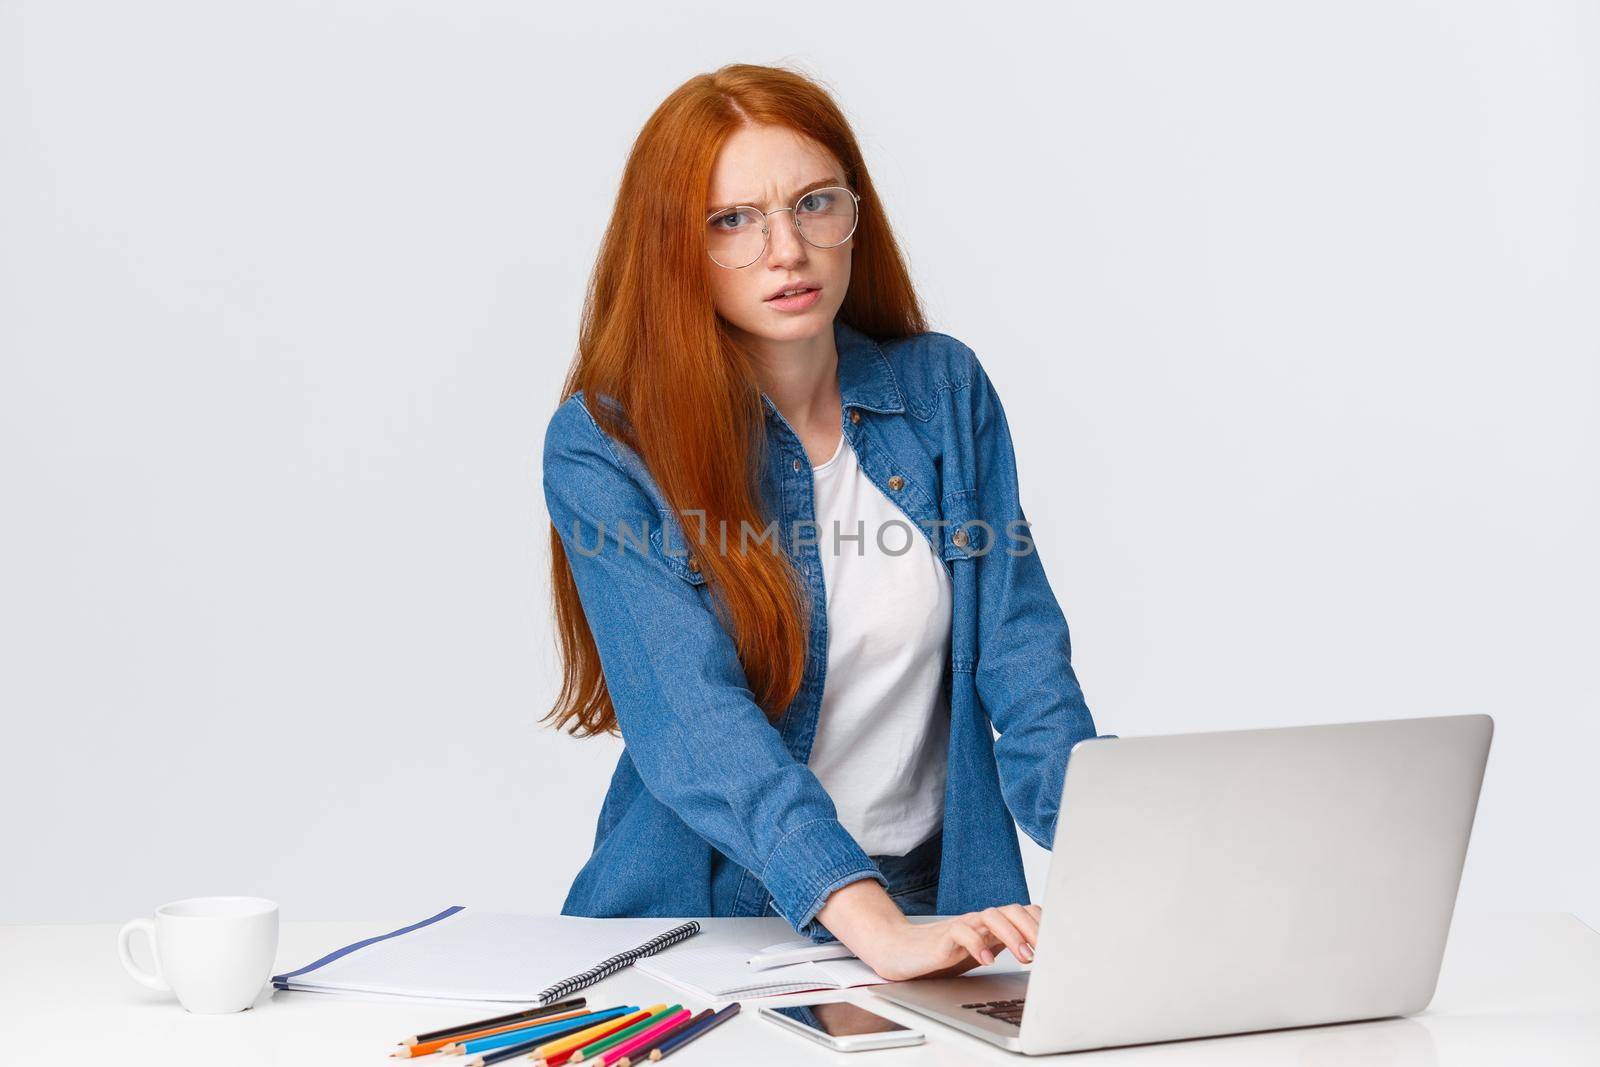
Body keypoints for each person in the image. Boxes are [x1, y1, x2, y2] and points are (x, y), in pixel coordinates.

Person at [540, 63, 1098, 983]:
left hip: (938, 907)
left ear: (855, 214)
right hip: (710, 923)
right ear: (673, 247)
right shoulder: (607, 443)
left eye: (813, 204)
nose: (786, 250)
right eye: (733, 221)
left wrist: (1140, 862)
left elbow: (1025, 664)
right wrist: (871, 923)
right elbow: (694, 721)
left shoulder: (942, 392)